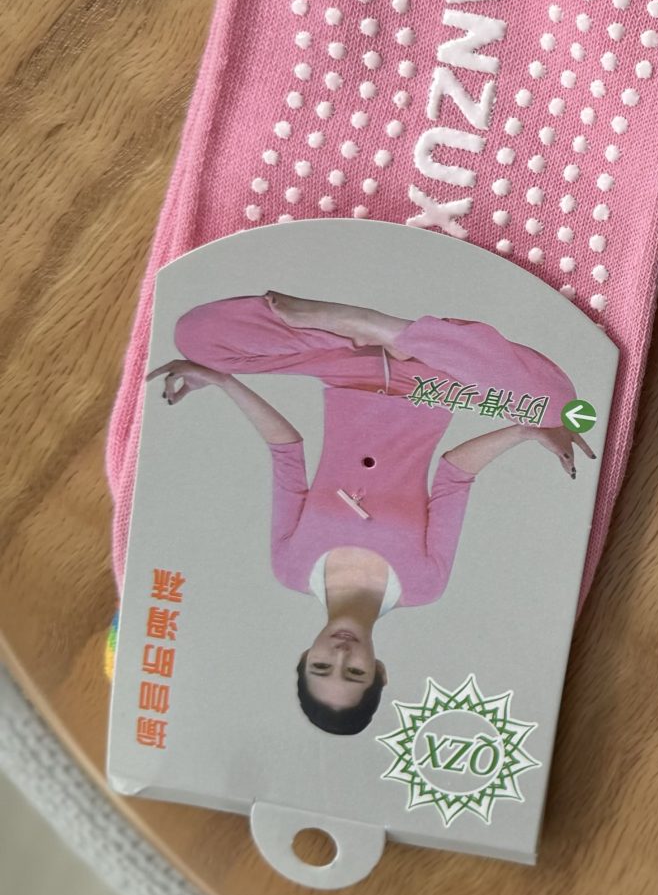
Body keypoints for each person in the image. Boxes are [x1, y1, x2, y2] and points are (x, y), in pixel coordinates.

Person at [147, 291, 588, 736]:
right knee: (559, 406)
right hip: (435, 385)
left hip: (343, 368)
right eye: (355, 672)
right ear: (380, 671)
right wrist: (525, 432)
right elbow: (454, 475)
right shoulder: (423, 585)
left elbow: (286, 450)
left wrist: (223, 382)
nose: (341, 655)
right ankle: (387, 331)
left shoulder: (291, 568)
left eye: (321, 666)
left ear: (305, 657)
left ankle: (356, 328)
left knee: (196, 337)